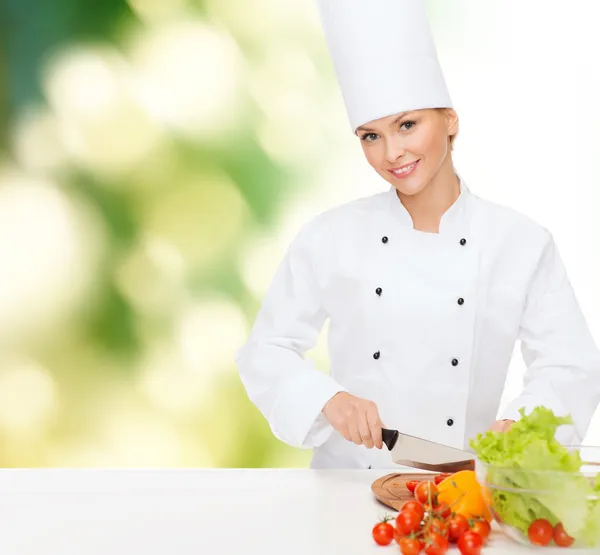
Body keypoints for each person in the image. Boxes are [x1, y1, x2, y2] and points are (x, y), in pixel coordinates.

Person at [235, 0, 600, 469]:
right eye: (370, 135)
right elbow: (266, 350)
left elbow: (571, 365)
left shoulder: (521, 243)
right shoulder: (329, 237)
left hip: (461, 490)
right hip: (345, 486)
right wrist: (328, 399)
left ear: (449, 121)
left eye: (407, 125)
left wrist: (522, 425)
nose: (392, 153)